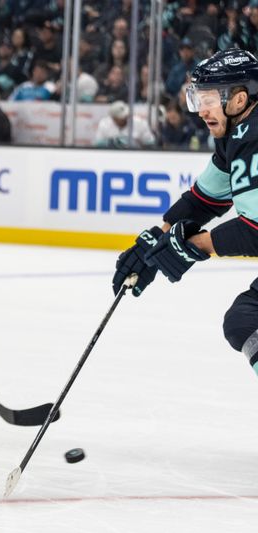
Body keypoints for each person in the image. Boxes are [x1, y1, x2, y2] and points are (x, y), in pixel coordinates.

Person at [112, 48, 258, 379]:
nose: (200, 110)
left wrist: (197, 245)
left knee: (249, 319)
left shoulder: (253, 135)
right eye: (197, 98)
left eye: (208, 99)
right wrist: (157, 239)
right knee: (246, 320)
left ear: (238, 100)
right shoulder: (237, 133)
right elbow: (205, 199)